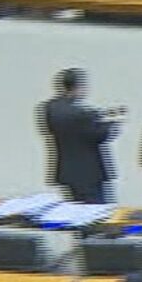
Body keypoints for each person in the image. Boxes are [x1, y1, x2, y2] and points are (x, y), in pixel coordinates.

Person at [40, 68, 117, 204]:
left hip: (66, 171)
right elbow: (101, 136)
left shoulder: (49, 109)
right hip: (90, 173)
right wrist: (113, 122)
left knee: (74, 208)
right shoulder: (82, 114)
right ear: (78, 87)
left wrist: (97, 115)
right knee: (96, 210)